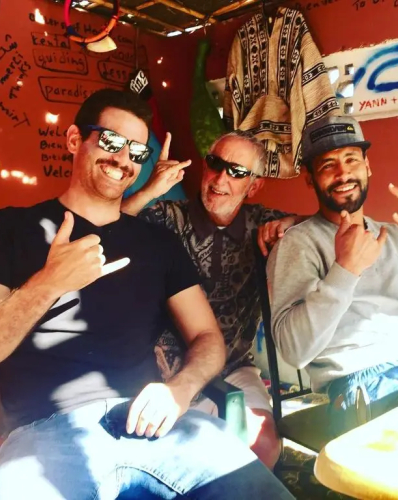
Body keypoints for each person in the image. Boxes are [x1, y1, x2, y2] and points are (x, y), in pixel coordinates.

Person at [0, 89, 293, 499]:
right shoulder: (11, 229)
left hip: (155, 425)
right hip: (45, 436)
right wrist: (48, 284)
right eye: (111, 141)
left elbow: (207, 337)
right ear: (74, 140)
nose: (124, 159)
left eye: (137, 151)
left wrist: (180, 389)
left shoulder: (157, 242)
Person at [267, 115, 398, 435]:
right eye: (328, 165)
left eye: (351, 159)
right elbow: (294, 350)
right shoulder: (297, 244)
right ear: (310, 179)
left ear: (367, 166)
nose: (343, 173)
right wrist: (345, 271)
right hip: (363, 381)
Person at [121, 130, 304, 469]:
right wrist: (148, 191)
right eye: (215, 164)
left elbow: (324, 225)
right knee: (178, 455)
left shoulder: (261, 224)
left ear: (254, 186)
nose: (221, 179)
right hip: (163, 370)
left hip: (233, 366)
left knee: (263, 443)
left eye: (237, 171)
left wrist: (294, 222)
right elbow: (107, 229)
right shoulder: (166, 217)